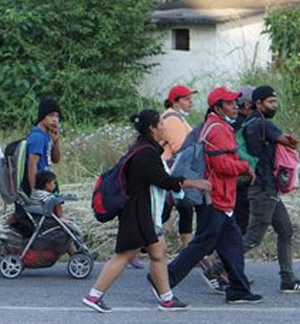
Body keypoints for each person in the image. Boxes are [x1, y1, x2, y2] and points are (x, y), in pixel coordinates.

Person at [82, 110, 207, 312]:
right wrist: (193, 183)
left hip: (145, 213)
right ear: (152, 128)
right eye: (161, 124)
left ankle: (167, 299)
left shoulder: (144, 148)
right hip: (137, 213)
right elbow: (162, 180)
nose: (165, 127)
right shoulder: (145, 153)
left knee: (158, 252)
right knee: (124, 255)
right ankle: (94, 296)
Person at [165, 87, 263, 304]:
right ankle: (163, 281)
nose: (234, 107)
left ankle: (238, 289)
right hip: (215, 196)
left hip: (220, 196)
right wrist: (245, 166)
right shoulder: (218, 129)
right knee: (202, 244)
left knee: (232, 243)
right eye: (229, 103)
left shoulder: (216, 125)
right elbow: (222, 165)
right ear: (217, 107)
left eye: (235, 103)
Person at [241, 85, 300, 293]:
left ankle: (288, 280)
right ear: (258, 104)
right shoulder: (262, 123)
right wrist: (291, 140)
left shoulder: (251, 122)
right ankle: (216, 267)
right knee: (253, 238)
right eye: (270, 102)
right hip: (263, 188)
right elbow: (288, 142)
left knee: (286, 231)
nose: (274, 106)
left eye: (275, 102)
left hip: (267, 188)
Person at [159, 85, 197, 246]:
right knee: (168, 210)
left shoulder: (176, 117)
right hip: (170, 170)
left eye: (191, 98)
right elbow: (180, 147)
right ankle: (136, 246)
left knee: (184, 207)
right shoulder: (172, 119)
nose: (191, 102)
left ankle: (188, 249)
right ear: (175, 102)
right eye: (186, 99)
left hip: (172, 170)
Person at [24, 98, 62, 195]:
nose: (55, 120)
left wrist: (56, 141)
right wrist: (35, 191)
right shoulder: (38, 137)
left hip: (48, 180)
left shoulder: (47, 135)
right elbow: (32, 165)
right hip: (41, 183)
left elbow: (56, 160)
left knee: (57, 205)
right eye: (51, 115)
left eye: (57, 116)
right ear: (43, 116)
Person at [232, 85, 255, 234]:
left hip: (232, 179)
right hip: (242, 178)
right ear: (247, 105)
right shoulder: (244, 125)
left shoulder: (230, 123)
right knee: (240, 223)